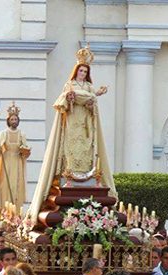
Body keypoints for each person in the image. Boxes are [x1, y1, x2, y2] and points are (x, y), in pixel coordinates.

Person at [26, 46, 116, 223]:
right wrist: (71, 98)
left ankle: (88, 175)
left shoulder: (89, 86)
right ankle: (70, 175)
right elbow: (62, 101)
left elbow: (92, 105)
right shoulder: (70, 85)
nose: (83, 73)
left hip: (85, 124)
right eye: (81, 70)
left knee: (87, 148)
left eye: (85, 71)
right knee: (72, 148)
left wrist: (91, 101)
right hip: (72, 122)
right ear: (77, 71)